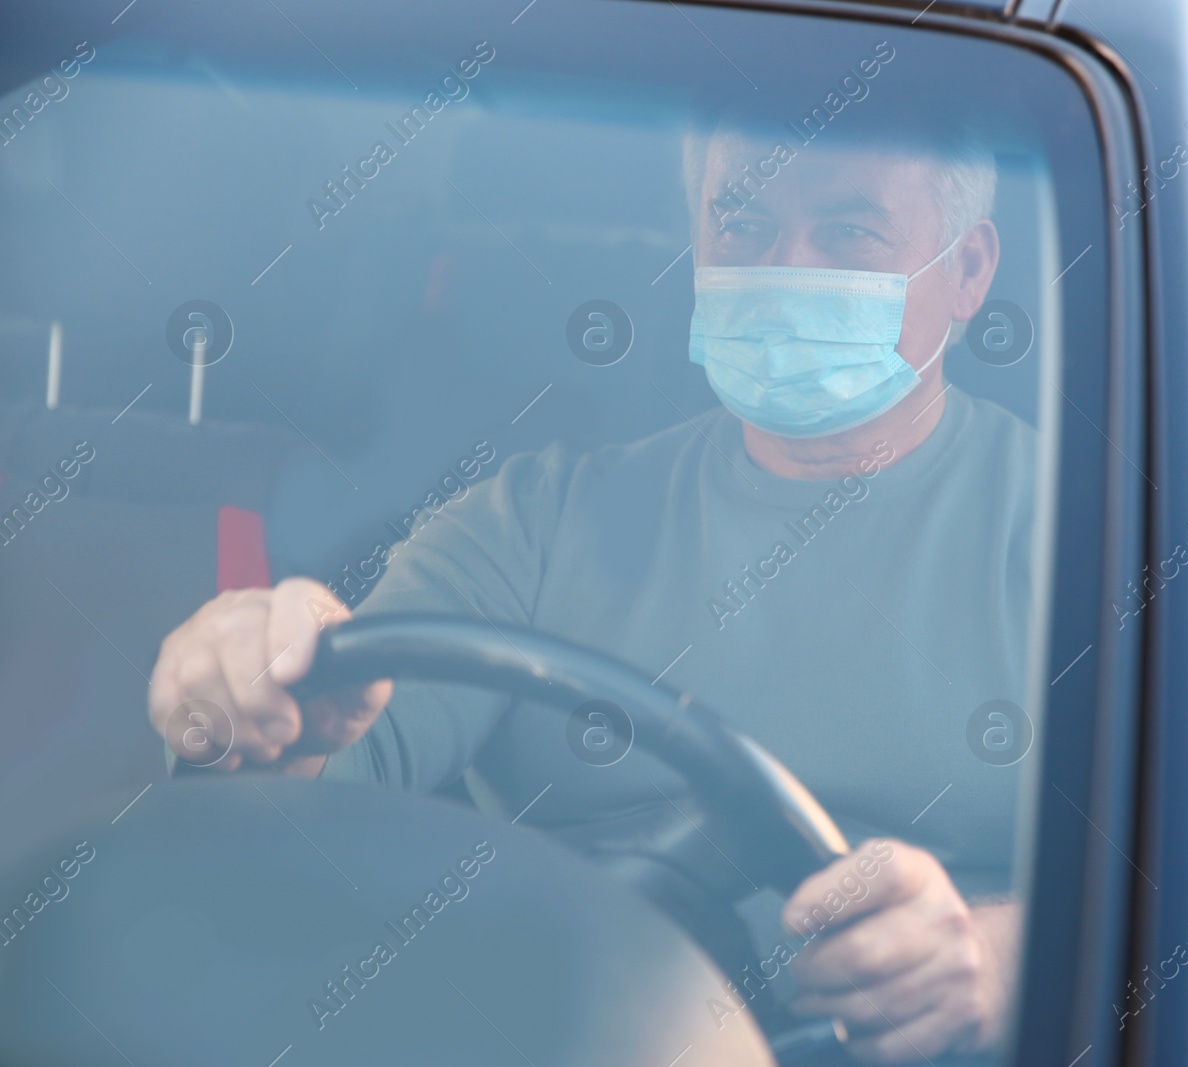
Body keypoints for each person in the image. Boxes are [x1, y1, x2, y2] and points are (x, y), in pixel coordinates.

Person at [148, 109, 1036, 1064]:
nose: (785, 268)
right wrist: (250, 699)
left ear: (969, 271)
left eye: (848, 232)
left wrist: (998, 952)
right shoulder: (534, 520)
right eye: (742, 225)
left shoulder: (1089, 536)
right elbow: (324, 777)